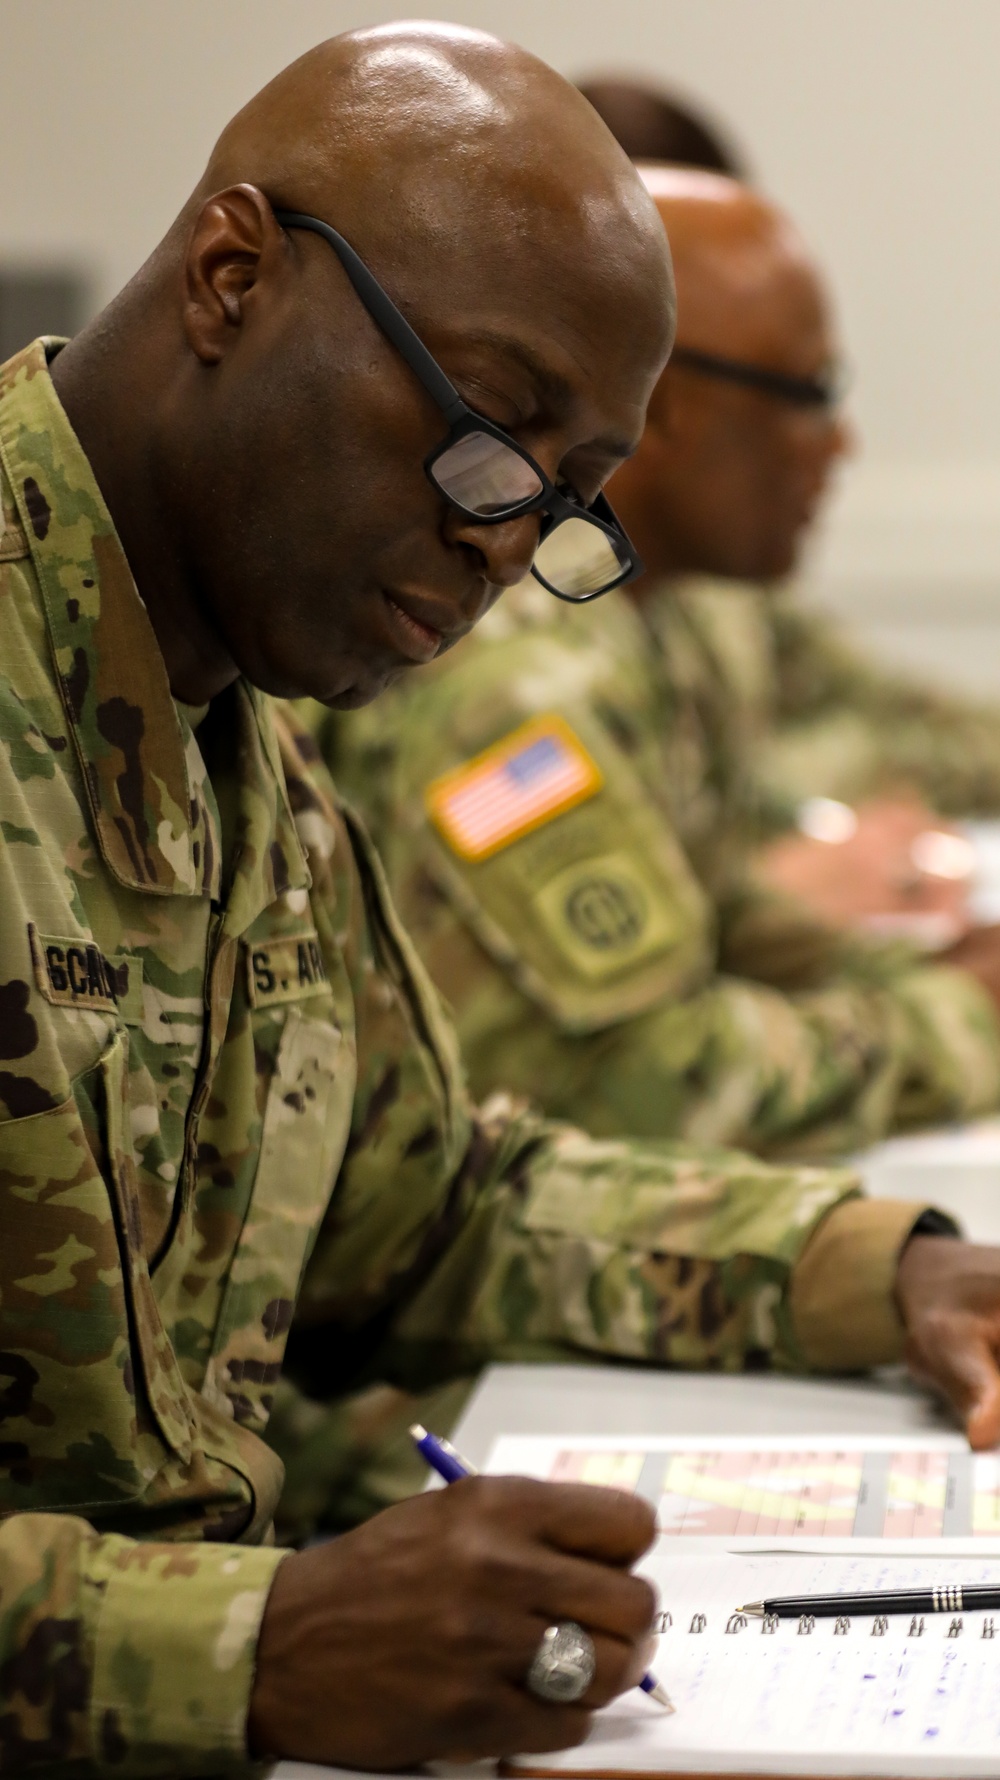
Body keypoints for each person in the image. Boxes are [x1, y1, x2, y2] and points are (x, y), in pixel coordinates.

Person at [5, 29, 1000, 1776]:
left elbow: (434, 1205)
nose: (497, 548)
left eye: (566, 500)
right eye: (484, 431)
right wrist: (253, 1646)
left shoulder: (240, 729)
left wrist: (884, 1272)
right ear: (233, 275)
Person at [317, 167, 1000, 1166]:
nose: (839, 444)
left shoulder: (664, 628)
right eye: (808, 394)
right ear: (665, 409)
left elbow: (701, 919)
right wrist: (963, 1021)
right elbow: (635, 1083)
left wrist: (934, 972)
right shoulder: (519, 684)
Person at [578, 75, 1000, 830]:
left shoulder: (689, 600)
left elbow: (894, 711)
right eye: (804, 397)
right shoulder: (527, 651)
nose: (839, 445)